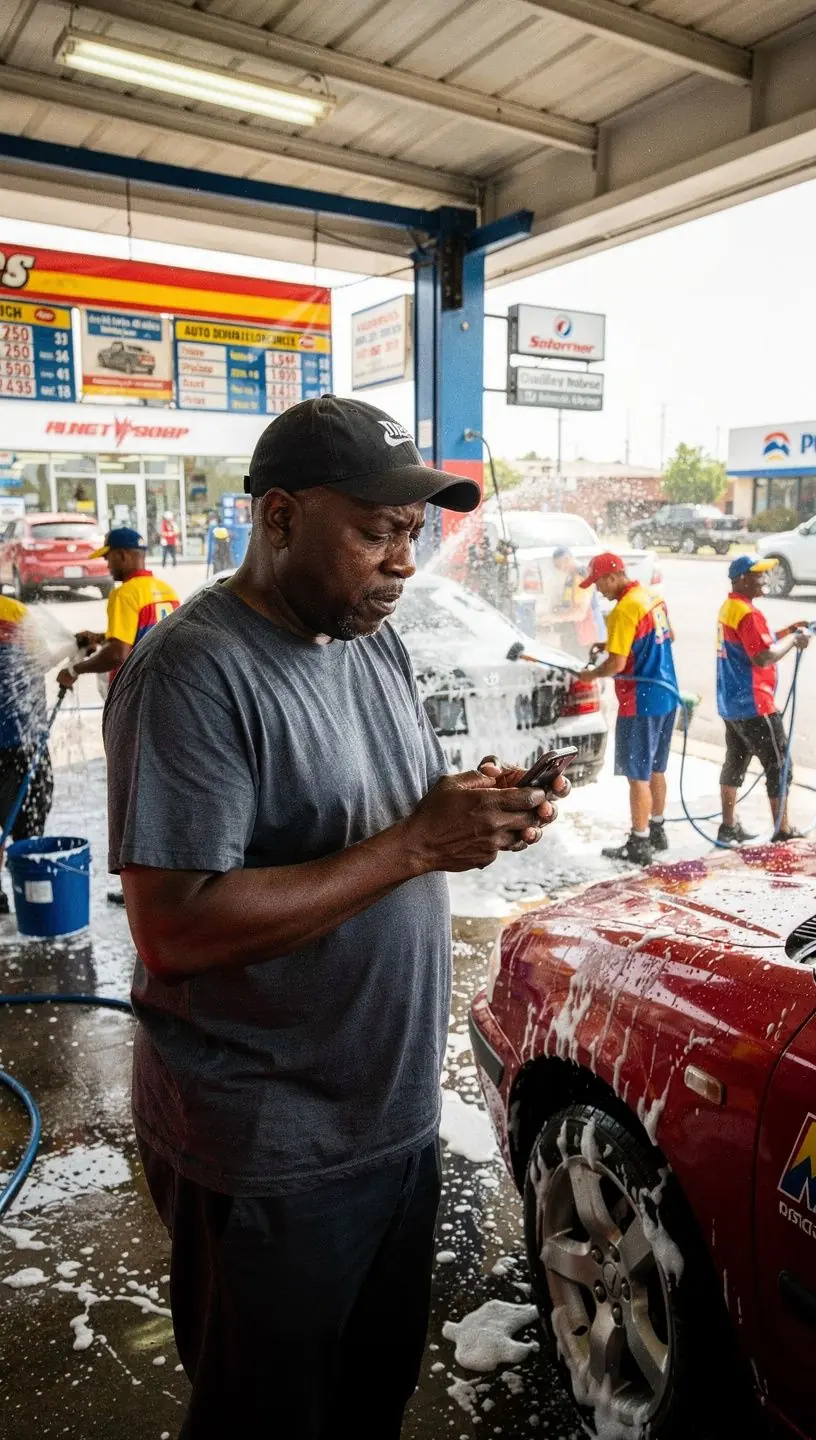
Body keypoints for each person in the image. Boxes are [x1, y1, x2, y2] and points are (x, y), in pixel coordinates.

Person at [102, 395, 570, 1440]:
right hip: (270, 1144)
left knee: (367, 1398)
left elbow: (386, 814)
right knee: (267, 1416)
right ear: (277, 517)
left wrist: (474, 809)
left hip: (389, 1116)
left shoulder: (369, 643)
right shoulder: (192, 672)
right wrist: (415, 844)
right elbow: (174, 927)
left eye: (412, 533)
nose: (402, 561)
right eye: (373, 529)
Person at [579, 551, 678, 866]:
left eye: (599, 584)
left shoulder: (623, 610)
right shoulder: (650, 596)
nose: (599, 591)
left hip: (641, 702)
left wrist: (591, 673)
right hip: (667, 695)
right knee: (657, 768)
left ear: (612, 576)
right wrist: (611, 646)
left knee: (638, 776)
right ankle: (657, 829)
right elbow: (668, 636)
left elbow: (617, 664)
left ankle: (639, 842)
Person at [716, 554, 810, 844]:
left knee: (735, 763)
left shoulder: (730, 607)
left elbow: (758, 640)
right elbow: (762, 655)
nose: (765, 579)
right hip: (755, 704)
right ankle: (782, 830)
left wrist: (787, 630)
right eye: (759, 575)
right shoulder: (748, 613)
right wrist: (795, 640)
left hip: (731, 705)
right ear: (742, 580)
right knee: (780, 765)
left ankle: (728, 826)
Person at [56, 526, 180, 695]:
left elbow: (118, 655)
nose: (107, 565)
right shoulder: (167, 590)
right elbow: (145, 635)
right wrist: (101, 638)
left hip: (134, 691)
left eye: (108, 558)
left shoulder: (124, 593)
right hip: (165, 687)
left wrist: (73, 671)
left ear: (121, 555)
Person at [0, 597, 54, 914]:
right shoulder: (15, 611)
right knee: (29, 820)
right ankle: (30, 890)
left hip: (21, 737)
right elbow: (42, 660)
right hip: (23, 739)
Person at [550, 547, 604, 659]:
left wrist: (554, 618)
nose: (559, 569)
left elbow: (580, 612)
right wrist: (559, 610)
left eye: (558, 565)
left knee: (587, 664)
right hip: (580, 630)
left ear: (566, 559)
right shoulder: (571, 576)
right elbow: (569, 603)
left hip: (589, 630)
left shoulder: (581, 575)